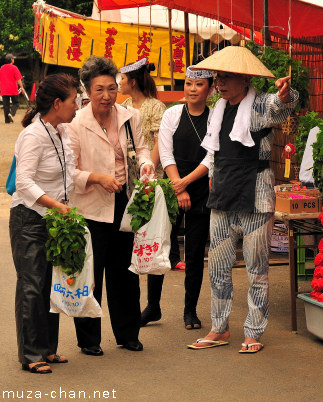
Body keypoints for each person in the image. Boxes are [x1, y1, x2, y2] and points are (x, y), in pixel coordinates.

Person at [187, 46, 298, 353]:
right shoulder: (218, 109)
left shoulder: (260, 104)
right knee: (218, 268)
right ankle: (219, 328)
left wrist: (287, 94)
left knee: (256, 270)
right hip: (222, 196)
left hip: (255, 197)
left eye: (227, 76)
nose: (220, 82)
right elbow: (213, 152)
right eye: (218, 77)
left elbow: (281, 106)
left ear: (244, 79)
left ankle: (253, 331)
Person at [67, 56, 154, 356]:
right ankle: (89, 340)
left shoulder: (131, 116)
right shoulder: (76, 124)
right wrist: (96, 178)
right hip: (90, 205)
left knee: (124, 271)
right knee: (91, 274)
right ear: (88, 91)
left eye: (112, 88)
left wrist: (145, 165)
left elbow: (141, 149)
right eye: (99, 89)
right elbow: (69, 172)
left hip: (124, 202)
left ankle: (128, 333)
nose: (106, 96)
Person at [9, 73, 80, 373]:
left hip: (53, 219)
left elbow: (69, 174)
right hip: (30, 218)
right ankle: (31, 354)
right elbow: (23, 182)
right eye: (74, 101)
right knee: (32, 284)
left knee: (51, 284)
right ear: (56, 103)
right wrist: (55, 206)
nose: (77, 106)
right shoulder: (33, 135)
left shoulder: (61, 131)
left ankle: (48, 349)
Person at [141, 67, 213, 329]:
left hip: (200, 189)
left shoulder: (215, 118)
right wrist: (178, 187)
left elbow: (211, 157)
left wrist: (188, 183)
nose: (192, 89)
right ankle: (153, 306)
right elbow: (166, 151)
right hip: (172, 187)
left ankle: (190, 310)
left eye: (200, 84)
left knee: (194, 253)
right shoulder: (172, 113)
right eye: (189, 83)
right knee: (161, 248)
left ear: (211, 89)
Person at [118, 58, 184, 274]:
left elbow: (159, 141)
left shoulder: (156, 107)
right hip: (130, 171)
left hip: (151, 170)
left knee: (159, 215)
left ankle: (167, 256)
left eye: (123, 79)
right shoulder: (124, 106)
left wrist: (150, 167)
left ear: (133, 82)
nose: (120, 82)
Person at [1, 53, 26, 123]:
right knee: (16, 103)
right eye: (13, 58)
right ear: (11, 60)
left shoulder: (2, 68)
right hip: (13, 89)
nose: (14, 59)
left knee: (6, 105)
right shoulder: (14, 68)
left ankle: (7, 120)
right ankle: (11, 114)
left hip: (4, 89)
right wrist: (22, 87)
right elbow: (18, 79)